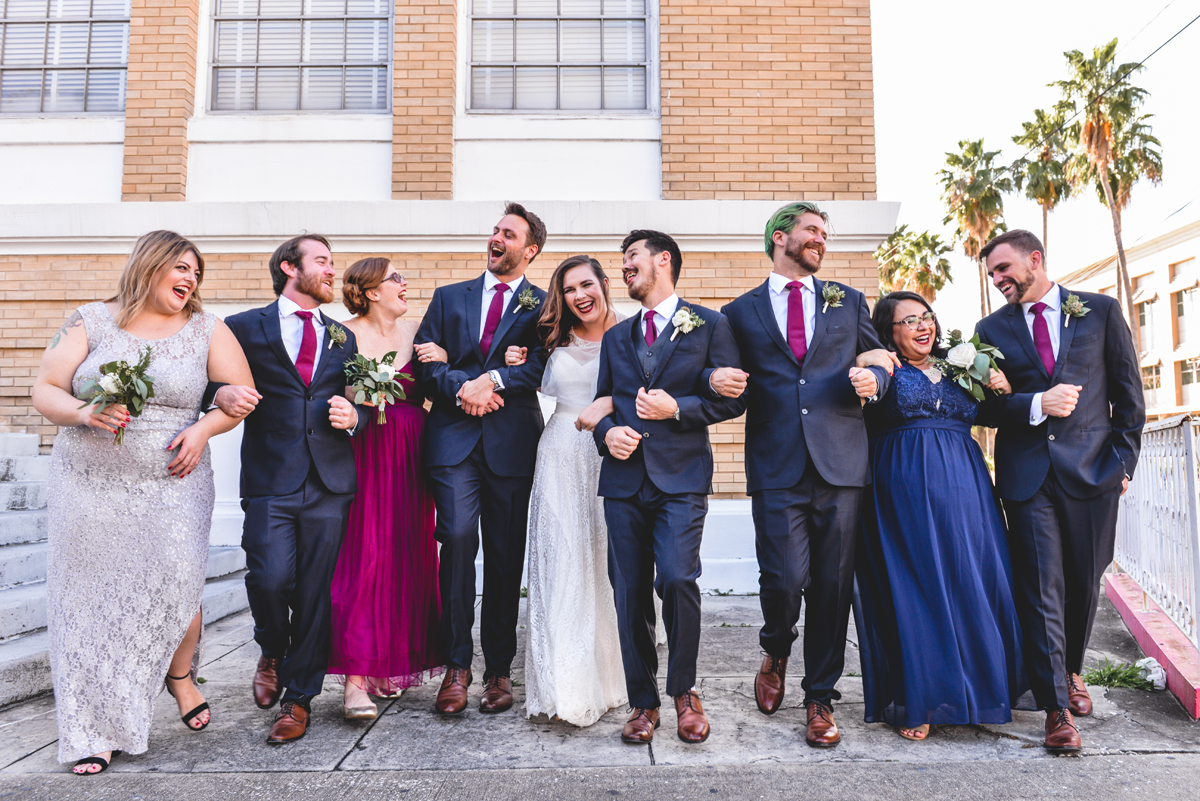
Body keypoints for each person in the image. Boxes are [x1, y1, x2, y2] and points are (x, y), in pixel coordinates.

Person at [32, 231, 254, 774]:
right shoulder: (92, 320)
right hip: (86, 483)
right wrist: (84, 413)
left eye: (196, 273)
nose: (190, 280)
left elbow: (242, 394)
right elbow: (46, 388)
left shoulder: (207, 328)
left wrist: (203, 431)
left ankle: (178, 675)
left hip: (172, 484)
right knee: (85, 602)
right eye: (180, 268)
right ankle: (92, 730)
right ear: (150, 266)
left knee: (176, 581)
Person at [707, 202, 894, 748]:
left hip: (841, 464)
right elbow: (719, 373)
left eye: (825, 234)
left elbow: (878, 354)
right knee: (783, 579)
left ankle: (819, 697)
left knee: (834, 588)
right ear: (780, 237)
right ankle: (776, 645)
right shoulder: (738, 313)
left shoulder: (849, 300)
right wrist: (713, 376)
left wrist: (875, 379)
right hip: (775, 463)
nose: (822, 240)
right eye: (813, 231)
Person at [975, 229, 1144, 753]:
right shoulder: (989, 330)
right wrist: (1034, 403)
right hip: (1027, 479)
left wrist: (1122, 464)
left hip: (1093, 472)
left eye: (1004, 269)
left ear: (1035, 259)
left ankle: (1070, 668)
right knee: (1040, 587)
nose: (999, 280)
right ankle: (1055, 708)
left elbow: (1127, 392)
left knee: (1082, 582)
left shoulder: (1099, 311)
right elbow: (983, 408)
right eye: (992, 275)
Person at [208, 234, 366, 744]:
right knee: (270, 578)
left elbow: (354, 400)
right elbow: (203, 382)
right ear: (288, 267)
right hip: (270, 477)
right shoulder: (240, 327)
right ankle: (271, 647)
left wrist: (355, 417)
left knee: (317, 594)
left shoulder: (343, 337)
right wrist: (221, 391)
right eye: (321, 260)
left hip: (329, 480)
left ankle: (298, 700)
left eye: (331, 262)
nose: (331, 269)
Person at [593, 229, 745, 745]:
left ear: (663, 260)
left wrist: (678, 408)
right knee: (628, 591)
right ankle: (643, 702)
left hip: (681, 477)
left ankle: (684, 691)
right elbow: (603, 404)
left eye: (631, 256)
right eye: (622, 259)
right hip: (623, 481)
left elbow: (731, 400)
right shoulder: (617, 336)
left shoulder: (709, 324)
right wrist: (605, 434)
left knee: (678, 579)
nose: (624, 266)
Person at [852, 290, 1024, 741]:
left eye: (926, 317)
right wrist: (870, 362)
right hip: (901, 487)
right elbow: (862, 392)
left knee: (971, 581)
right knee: (917, 587)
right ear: (889, 332)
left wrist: (1007, 388)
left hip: (966, 488)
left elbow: (994, 412)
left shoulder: (960, 366)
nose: (923, 326)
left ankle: (978, 691)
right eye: (909, 321)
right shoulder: (883, 368)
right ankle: (920, 698)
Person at [413, 202, 549, 716]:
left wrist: (490, 380)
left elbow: (542, 366)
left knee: (505, 555)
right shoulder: (450, 298)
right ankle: (456, 666)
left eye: (508, 233)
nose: (496, 238)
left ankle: (496, 670)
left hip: (512, 447)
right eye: (495, 230)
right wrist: (462, 386)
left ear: (529, 250)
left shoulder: (543, 304)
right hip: (453, 443)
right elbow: (424, 361)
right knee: (458, 539)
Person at [509, 255, 628, 727]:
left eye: (586, 284)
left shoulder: (632, 332)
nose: (580, 296)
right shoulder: (547, 338)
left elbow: (653, 383)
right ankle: (563, 684)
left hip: (611, 452)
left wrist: (609, 402)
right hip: (559, 451)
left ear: (603, 284)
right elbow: (514, 372)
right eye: (569, 290)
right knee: (562, 560)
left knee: (605, 561)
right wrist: (511, 360)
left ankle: (612, 678)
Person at [327, 258, 444, 719]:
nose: (405, 282)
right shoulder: (342, 334)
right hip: (365, 451)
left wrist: (449, 361)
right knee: (364, 558)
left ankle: (385, 667)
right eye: (395, 277)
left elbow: (442, 381)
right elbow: (325, 391)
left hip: (415, 454)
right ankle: (356, 680)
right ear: (371, 291)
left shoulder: (419, 331)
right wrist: (356, 399)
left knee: (404, 555)